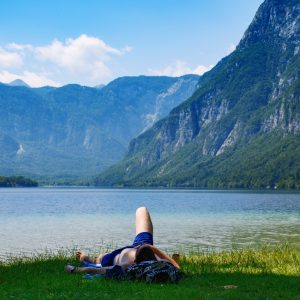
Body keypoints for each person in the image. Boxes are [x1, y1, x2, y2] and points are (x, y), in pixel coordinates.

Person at [65, 207, 180, 275]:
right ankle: (145, 246)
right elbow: (177, 267)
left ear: (135, 261)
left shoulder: (127, 266)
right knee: (142, 210)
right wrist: (150, 247)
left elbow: (97, 270)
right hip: (143, 244)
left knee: (99, 260)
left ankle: (86, 258)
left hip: (119, 256)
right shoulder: (160, 261)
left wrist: (75, 269)